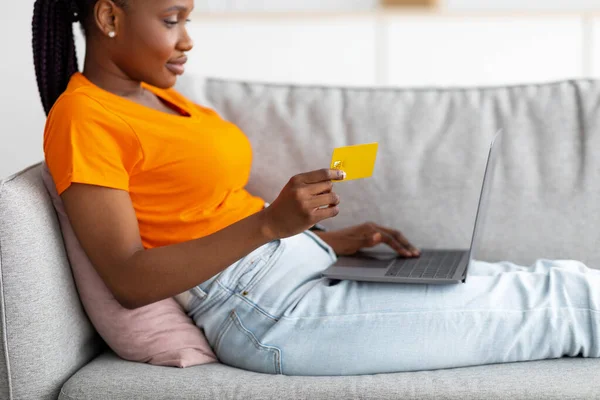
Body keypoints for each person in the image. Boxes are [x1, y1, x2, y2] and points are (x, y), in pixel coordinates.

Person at [33, 0, 600, 377]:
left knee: (559, 278)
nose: (186, 40)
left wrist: (329, 242)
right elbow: (128, 279)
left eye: (188, 19)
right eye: (171, 19)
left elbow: (197, 208)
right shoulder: (83, 118)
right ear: (109, 16)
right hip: (269, 311)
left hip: (303, 268)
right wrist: (269, 226)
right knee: (565, 306)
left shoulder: (161, 98)